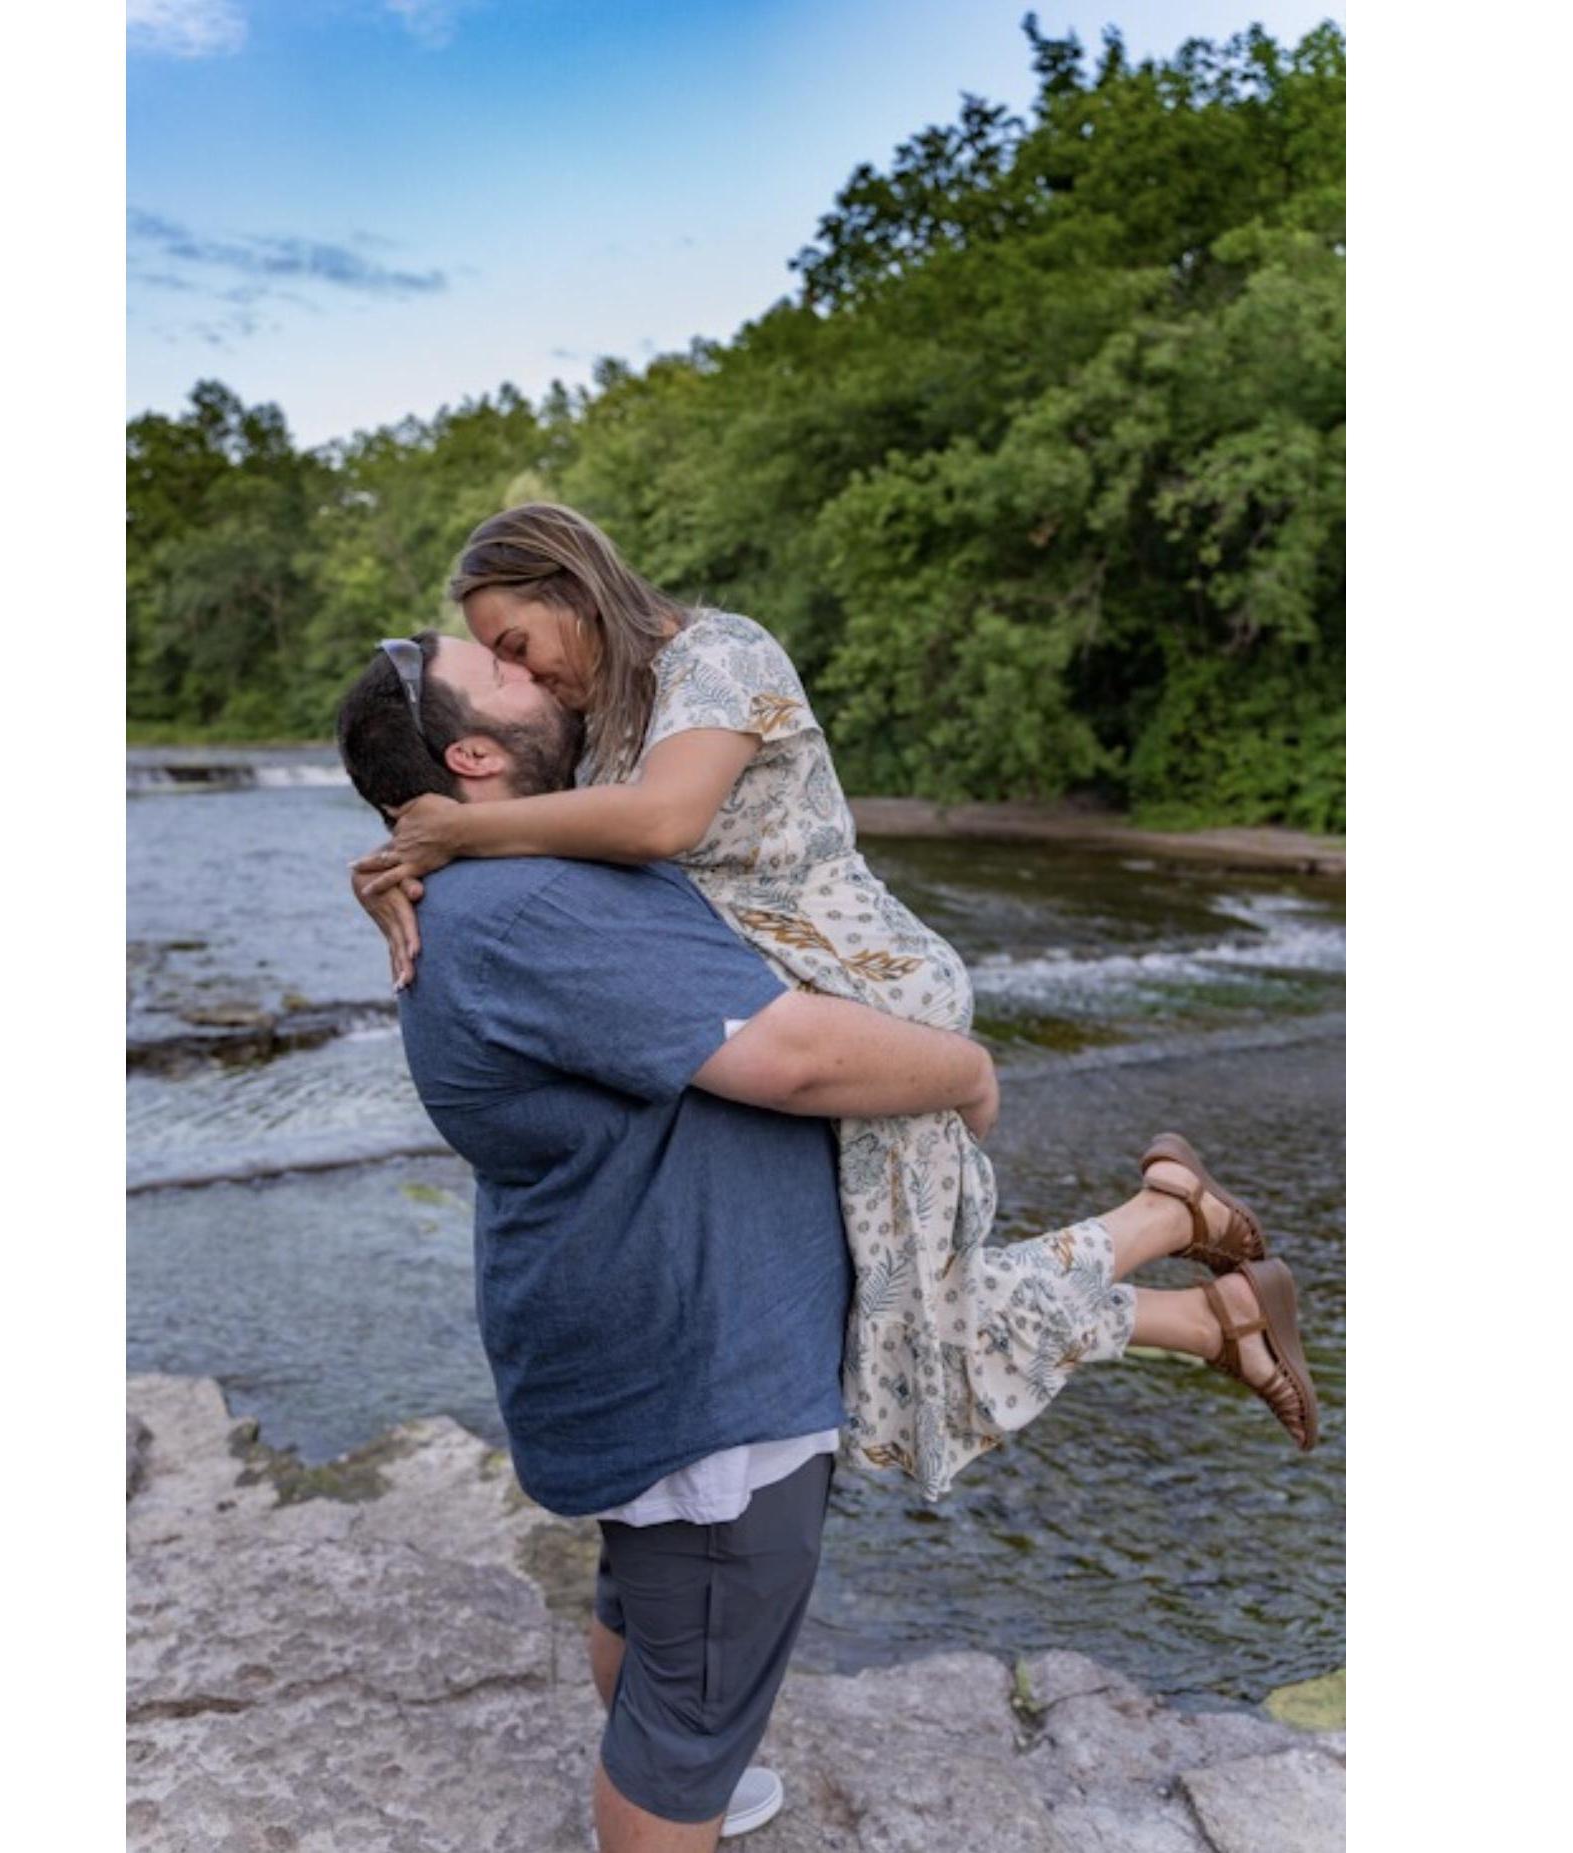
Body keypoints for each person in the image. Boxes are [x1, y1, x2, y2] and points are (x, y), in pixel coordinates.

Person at [336, 637, 1314, 1848]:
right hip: (704, 1379)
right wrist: (964, 1066)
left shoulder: (508, 874)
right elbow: (792, 1056)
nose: (537, 670)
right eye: (505, 670)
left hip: (650, 1344)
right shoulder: (532, 903)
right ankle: (678, 1798)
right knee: (690, 1695)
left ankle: (1181, 1258)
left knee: (654, 1610)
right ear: (475, 755)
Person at [352, 507, 1319, 1501]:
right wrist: (397, 862)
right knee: (897, 1329)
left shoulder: (720, 656)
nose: (523, 673)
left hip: (869, 997)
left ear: (572, 587)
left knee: (908, 1341)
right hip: (799, 995)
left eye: (517, 644)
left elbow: (661, 821)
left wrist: (457, 834)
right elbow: (558, 832)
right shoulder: (608, 718)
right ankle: (1195, 1280)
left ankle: (1177, 1237)